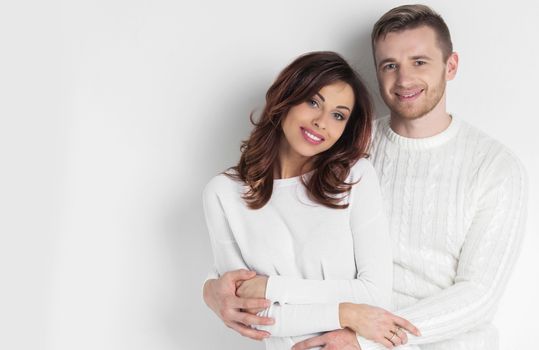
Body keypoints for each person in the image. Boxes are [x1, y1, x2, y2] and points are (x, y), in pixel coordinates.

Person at [204, 4, 528, 350]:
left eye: (419, 62)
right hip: (328, 331)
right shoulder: (343, 147)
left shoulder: (495, 167)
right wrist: (212, 288)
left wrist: (363, 336)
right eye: (390, 65)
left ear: (451, 66)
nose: (404, 79)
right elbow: (277, 233)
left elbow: (478, 295)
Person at [202, 51, 419, 350]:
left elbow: (375, 296)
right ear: (286, 98)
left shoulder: (353, 178)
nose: (321, 122)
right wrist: (346, 312)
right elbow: (250, 314)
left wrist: (271, 287)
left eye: (338, 115)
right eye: (313, 102)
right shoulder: (223, 194)